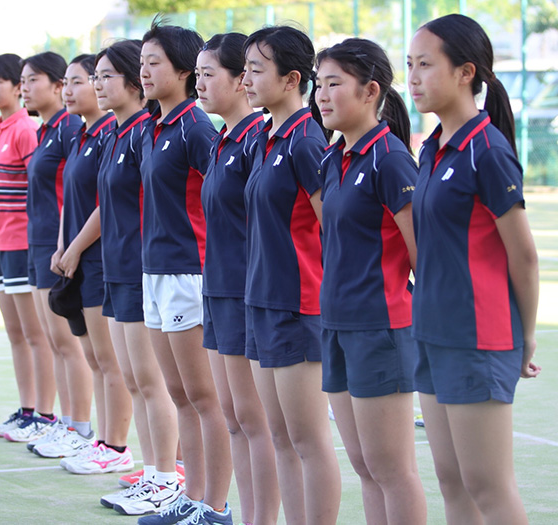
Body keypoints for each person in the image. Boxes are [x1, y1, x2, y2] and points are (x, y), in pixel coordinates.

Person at [408, 14, 540, 524]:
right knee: (453, 482)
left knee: (487, 484)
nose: (414, 78)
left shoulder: (487, 150)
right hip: (432, 331)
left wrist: (525, 335)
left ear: (466, 72)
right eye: (409, 66)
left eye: (425, 65)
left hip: (478, 337)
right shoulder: (433, 148)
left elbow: (523, 255)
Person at [315, 38, 427, 524]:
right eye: (318, 84)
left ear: (370, 91)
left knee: (391, 468)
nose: (321, 95)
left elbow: (424, 255)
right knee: (363, 464)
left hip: (381, 328)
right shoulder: (334, 157)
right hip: (336, 325)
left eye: (333, 84)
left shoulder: (391, 159)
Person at [133, 20, 234, 525]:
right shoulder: (154, 127)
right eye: (143, 62)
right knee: (180, 396)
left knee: (203, 397)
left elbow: (222, 203)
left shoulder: (196, 127)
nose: (145, 71)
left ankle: (214, 507)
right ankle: (191, 498)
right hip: (155, 271)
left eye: (155, 63)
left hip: (188, 273)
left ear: (181, 70)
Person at [241, 26, 341, 525]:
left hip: (300, 306)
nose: (246, 79)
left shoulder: (305, 141)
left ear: (291, 79)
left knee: (308, 439)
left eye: (257, 70)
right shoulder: (265, 135)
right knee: (280, 436)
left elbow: (335, 229)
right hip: (262, 302)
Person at [84, 39, 183, 510]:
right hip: (120, 268)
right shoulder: (121, 134)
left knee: (151, 380)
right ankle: (155, 470)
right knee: (134, 378)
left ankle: (169, 474)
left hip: (152, 268)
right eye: (95, 76)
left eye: (106, 75)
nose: (97, 84)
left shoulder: (156, 130)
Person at [196, 33, 280, 525]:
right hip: (218, 289)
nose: (200, 84)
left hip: (249, 294)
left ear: (240, 81)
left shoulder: (256, 139)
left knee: (255, 422)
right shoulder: (225, 138)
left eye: (210, 75)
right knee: (234, 419)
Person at [30, 54, 116, 461]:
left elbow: (108, 204)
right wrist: (64, 244)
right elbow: (71, 201)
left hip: (101, 259)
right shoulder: (82, 135)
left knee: (108, 361)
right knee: (91, 357)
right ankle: (86, 434)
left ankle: (110, 444)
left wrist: (77, 246)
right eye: (71, 82)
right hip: (77, 257)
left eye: (80, 81)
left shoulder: (109, 136)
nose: (71, 90)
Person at [4, 52, 85, 443]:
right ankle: (63, 425)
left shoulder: (70, 128)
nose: (25, 88)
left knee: (68, 344)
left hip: (61, 247)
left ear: (56, 85)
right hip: (37, 245)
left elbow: (78, 193)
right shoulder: (45, 130)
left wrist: (66, 245)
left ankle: (77, 427)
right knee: (55, 342)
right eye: (23, 80)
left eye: (33, 80)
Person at [0, 54, 54, 438]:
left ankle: (44, 415)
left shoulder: (26, 129)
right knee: (15, 333)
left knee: (35, 333)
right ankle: (27, 409)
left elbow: (41, 188)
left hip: (21, 242)